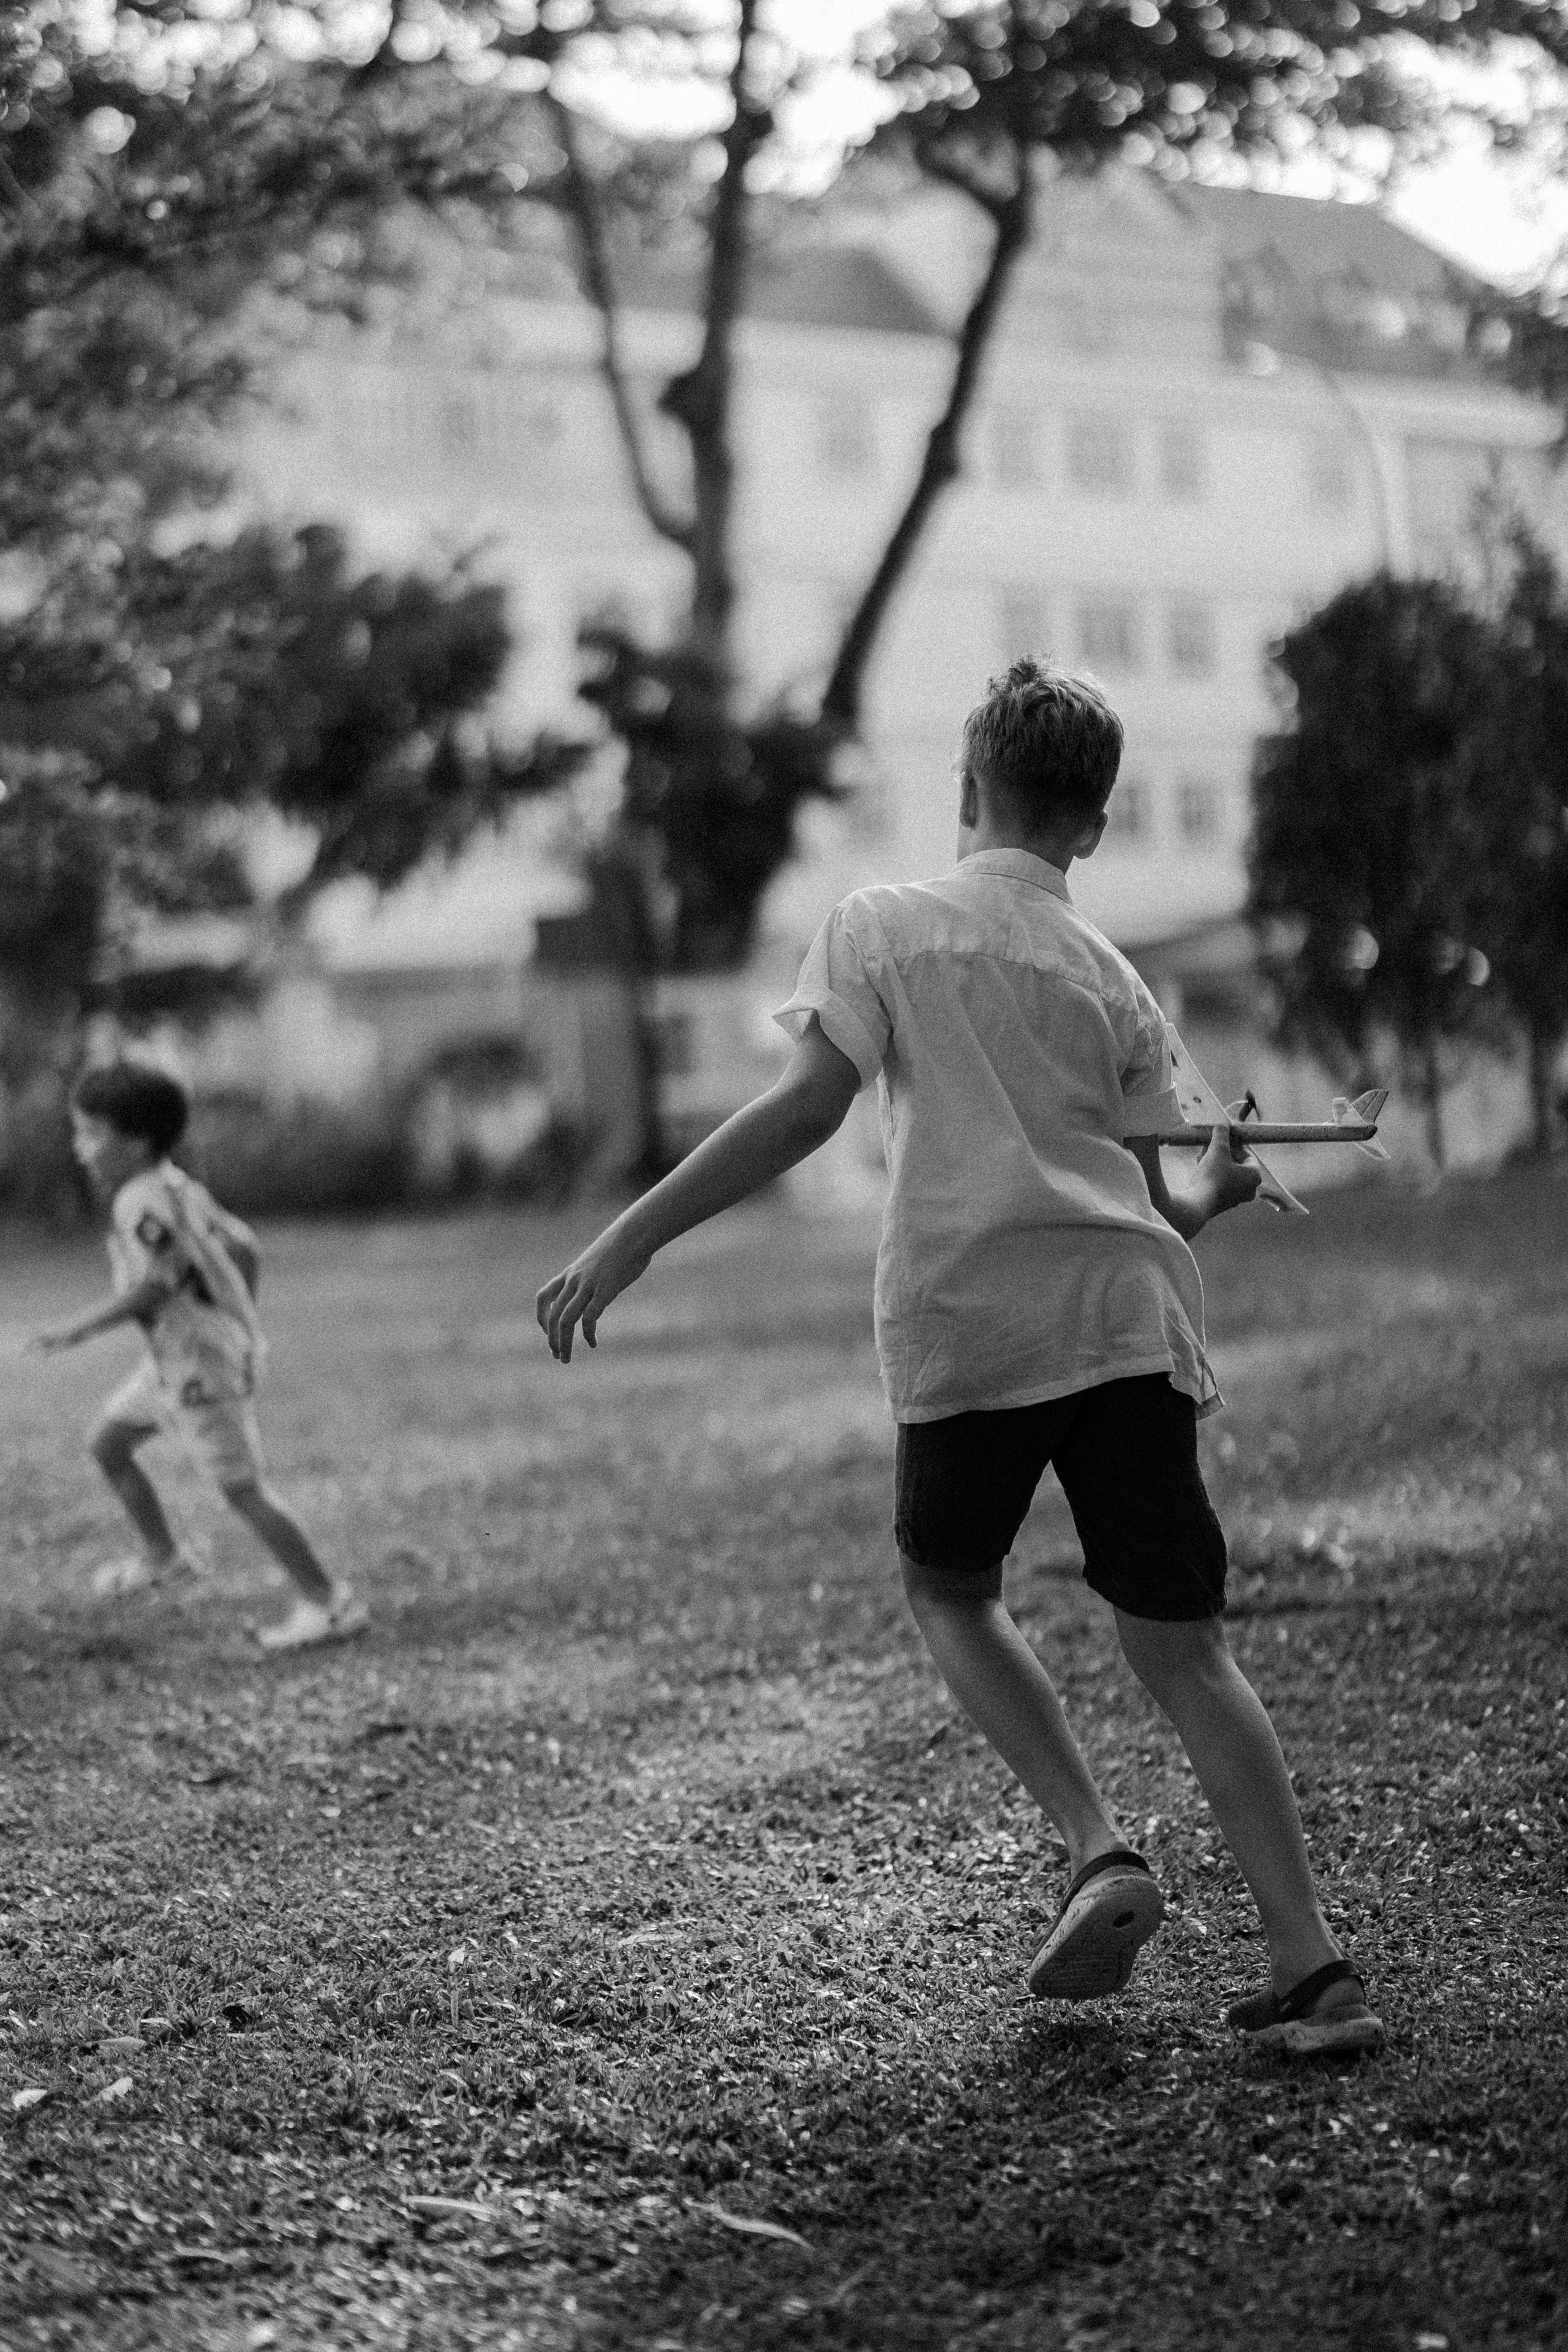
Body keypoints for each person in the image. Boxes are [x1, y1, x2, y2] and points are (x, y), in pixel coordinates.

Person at [537, 658, 1383, 2059]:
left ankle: (1095, 1844)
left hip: (967, 1313)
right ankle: (1310, 1970)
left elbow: (808, 1105)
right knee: (1182, 1651)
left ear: (966, 790)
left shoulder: (882, 925)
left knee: (947, 1589)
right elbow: (1155, 1190)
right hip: (1122, 1315)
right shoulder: (1108, 974)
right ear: (1093, 826)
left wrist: (632, 1237)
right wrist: (1215, 1193)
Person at [31, 1061, 366, 1653]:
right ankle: (164, 1557)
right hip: (180, 1359)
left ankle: (329, 1602)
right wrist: (239, 1323)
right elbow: (244, 1246)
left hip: (197, 1368)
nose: (79, 1150)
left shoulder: (139, 1201)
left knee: (244, 1490)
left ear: (133, 1143)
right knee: (108, 1443)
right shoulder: (176, 1184)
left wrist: (72, 1332)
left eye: (90, 1134)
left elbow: (154, 1289)